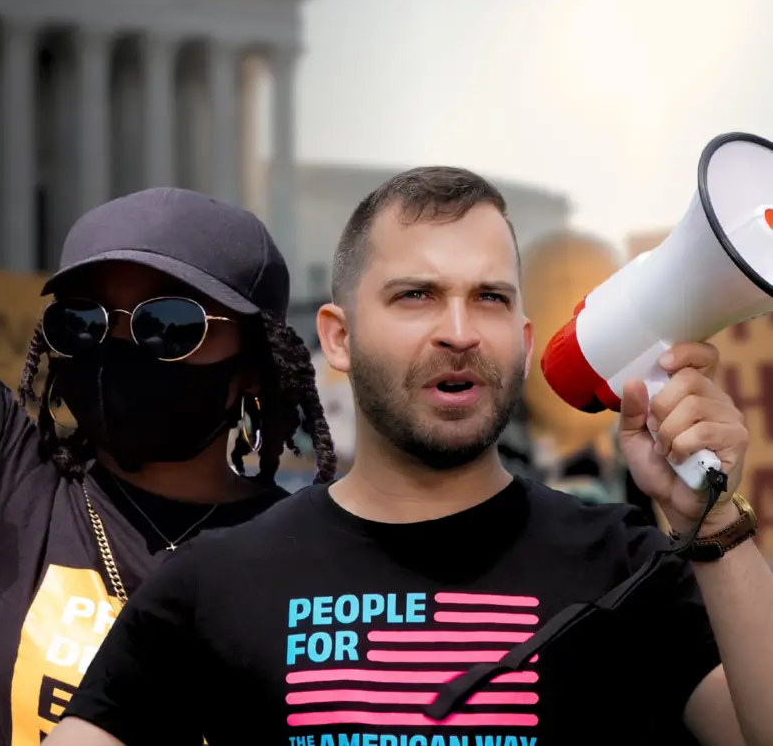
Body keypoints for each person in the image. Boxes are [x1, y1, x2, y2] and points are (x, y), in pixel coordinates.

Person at [46, 167, 772, 746]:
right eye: (416, 295)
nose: (458, 330)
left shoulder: (629, 565)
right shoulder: (214, 582)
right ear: (337, 337)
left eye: (488, 298)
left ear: (522, 340)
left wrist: (712, 529)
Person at [0, 0, 337, 744]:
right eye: (82, 323)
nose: (117, 349)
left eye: (168, 325)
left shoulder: (314, 555)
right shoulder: (13, 490)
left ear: (255, 365)